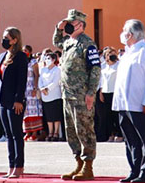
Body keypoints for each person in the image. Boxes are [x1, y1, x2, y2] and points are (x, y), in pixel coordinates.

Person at [53, 9, 101, 181]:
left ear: (80, 25)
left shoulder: (87, 44)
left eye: (70, 23)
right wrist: (58, 29)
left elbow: (95, 69)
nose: (67, 25)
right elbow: (57, 41)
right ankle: (78, 164)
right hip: (67, 94)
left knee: (85, 130)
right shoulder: (68, 42)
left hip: (81, 95)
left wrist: (91, 93)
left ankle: (88, 167)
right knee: (71, 131)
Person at [113, 20, 145, 183]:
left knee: (144, 141)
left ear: (131, 34)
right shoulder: (127, 52)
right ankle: (134, 170)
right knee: (130, 140)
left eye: (124, 30)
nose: (122, 33)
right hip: (124, 105)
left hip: (140, 105)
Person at [0, 27, 29, 179]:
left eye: (7, 38)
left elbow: (21, 80)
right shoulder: (3, 56)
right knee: (8, 135)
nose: (4, 40)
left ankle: (19, 166)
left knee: (16, 134)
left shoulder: (21, 56)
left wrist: (18, 99)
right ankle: (10, 166)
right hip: (3, 100)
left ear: (15, 40)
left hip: (14, 101)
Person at [38, 51, 62, 142]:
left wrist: (47, 88)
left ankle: (56, 132)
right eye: (46, 58)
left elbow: (56, 82)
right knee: (48, 115)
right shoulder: (43, 70)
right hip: (45, 96)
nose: (47, 60)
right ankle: (50, 132)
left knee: (55, 115)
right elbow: (40, 80)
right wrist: (42, 88)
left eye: (49, 58)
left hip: (54, 95)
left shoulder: (57, 69)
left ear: (54, 60)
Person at [98, 48, 120, 142]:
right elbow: (102, 81)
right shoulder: (104, 66)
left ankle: (119, 134)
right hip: (106, 92)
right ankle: (111, 133)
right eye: (108, 54)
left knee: (116, 115)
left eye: (112, 53)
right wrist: (101, 92)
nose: (110, 55)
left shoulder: (118, 65)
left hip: (115, 92)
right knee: (108, 115)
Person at [22, 45, 43, 141]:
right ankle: (27, 131)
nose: (24, 52)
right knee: (26, 111)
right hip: (23, 89)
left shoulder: (33, 62)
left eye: (25, 50)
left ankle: (35, 132)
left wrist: (35, 88)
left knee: (33, 110)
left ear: (30, 52)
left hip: (31, 88)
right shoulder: (21, 62)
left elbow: (36, 75)